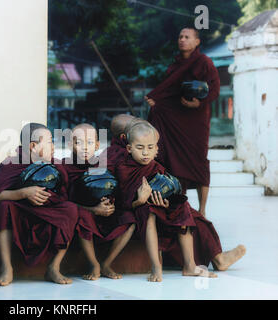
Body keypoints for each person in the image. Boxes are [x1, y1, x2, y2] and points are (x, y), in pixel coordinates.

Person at [117, 122, 218, 282]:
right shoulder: (124, 168)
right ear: (129, 149)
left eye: (150, 147)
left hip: (158, 206)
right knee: (149, 213)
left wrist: (166, 203)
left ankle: (190, 265)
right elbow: (121, 201)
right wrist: (139, 201)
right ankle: (156, 266)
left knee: (182, 207)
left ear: (156, 149)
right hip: (137, 210)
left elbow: (167, 191)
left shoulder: (157, 167)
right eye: (140, 147)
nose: (145, 153)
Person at [0, 123, 79, 286]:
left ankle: (54, 267)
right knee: (5, 206)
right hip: (22, 213)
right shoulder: (12, 163)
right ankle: (7, 268)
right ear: (33, 146)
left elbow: (64, 195)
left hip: (47, 211)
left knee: (70, 209)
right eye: (49, 142)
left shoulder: (54, 165)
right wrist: (24, 193)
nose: (53, 147)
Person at [145, 27, 221, 217]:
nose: (182, 40)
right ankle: (180, 205)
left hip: (196, 119)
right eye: (180, 36)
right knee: (174, 162)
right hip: (177, 117)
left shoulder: (204, 62)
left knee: (199, 162)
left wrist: (200, 102)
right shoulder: (175, 65)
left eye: (187, 37)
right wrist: (157, 100)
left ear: (197, 42)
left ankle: (202, 210)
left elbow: (215, 87)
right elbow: (170, 91)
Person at [63, 123, 136, 280]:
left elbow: (113, 188)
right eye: (78, 143)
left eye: (89, 143)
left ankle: (106, 263)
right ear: (70, 145)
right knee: (82, 215)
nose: (84, 148)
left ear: (97, 145)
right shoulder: (64, 167)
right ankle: (94, 264)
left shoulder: (104, 165)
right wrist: (93, 209)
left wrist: (109, 204)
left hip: (104, 216)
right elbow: (61, 203)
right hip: (79, 221)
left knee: (129, 219)